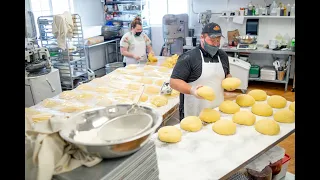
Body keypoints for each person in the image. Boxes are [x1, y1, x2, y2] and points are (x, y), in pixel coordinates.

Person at [170, 22, 234, 120]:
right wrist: (192, 90)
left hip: (216, 109)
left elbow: (226, 74)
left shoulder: (223, 56)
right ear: (202, 38)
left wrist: (229, 80)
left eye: (218, 40)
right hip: (194, 113)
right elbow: (174, 82)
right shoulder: (189, 57)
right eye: (212, 40)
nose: (216, 44)